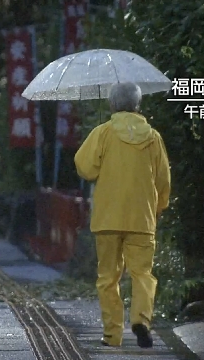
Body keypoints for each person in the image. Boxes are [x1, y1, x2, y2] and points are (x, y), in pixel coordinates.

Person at [74, 82, 171, 349]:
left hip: (107, 218)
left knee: (108, 278)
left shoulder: (103, 133)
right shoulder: (153, 137)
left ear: (112, 104)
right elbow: (163, 178)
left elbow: (85, 167)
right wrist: (158, 207)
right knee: (142, 273)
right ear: (138, 104)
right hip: (142, 217)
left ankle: (112, 335)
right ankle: (141, 319)